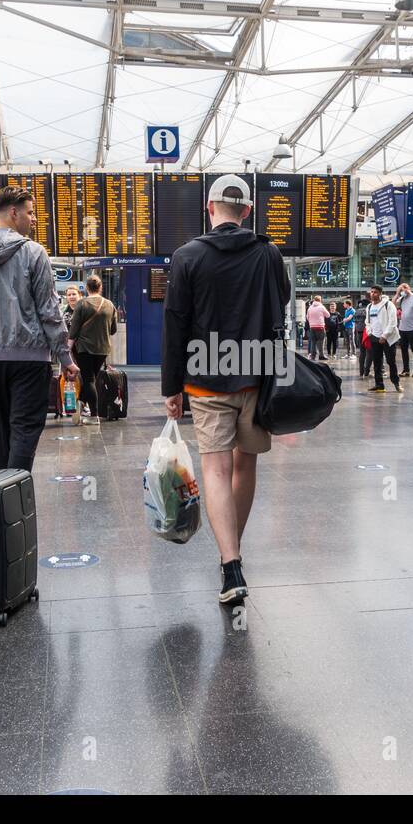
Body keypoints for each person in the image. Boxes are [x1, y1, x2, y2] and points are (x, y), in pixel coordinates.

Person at [162, 174, 289, 605]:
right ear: (248, 212)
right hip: (256, 374)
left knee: (214, 469)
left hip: (206, 376)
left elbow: (175, 323)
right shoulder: (268, 252)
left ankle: (229, 562)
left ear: (209, 207)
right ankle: (233, 549)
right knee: (245, 466)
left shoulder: (187, 256)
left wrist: (171, 387)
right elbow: (282, 300)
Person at [0, 184, 78, 469]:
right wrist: (65, 358)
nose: (34, 219)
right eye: (30, 213)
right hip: (30, 360)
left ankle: (2, 500)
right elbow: (49, 311)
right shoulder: (35, 253)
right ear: (13, 213)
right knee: (24, 433)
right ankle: (14, 499)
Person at [68, 274, 117, 427]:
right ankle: (81, 403)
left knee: (88, 380)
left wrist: (67, 349)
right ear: (100, 287)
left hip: (84, 349)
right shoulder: (110, 304)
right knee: (92, 378)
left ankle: (94, 415)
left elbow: (74, 329)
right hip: (103, 348)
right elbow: (113, 329)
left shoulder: (82, 304)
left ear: (87, 288)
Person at [365, 284, 402, 392]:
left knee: (391, 361)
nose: (372, 294)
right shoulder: (369, 306)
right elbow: (367, 322)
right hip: (374, 337)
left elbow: (393, 322)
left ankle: (396, 383)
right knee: (377, 362)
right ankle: (379, 385)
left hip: (388, 338)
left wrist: (385, 335)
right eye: (371, 292)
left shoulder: (388, 304)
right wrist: (369, 332)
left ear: (380, 293)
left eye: (375, 292)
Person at [306, 295, 329, 360]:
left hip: (312, 327)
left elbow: (307, 317)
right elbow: (328, 315)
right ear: (320, 300)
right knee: (321, 341)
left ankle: (313, 356)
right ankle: (321, 355)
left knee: (313, 342)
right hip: (320, 327)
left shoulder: (310, 308)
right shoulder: (321, 307)